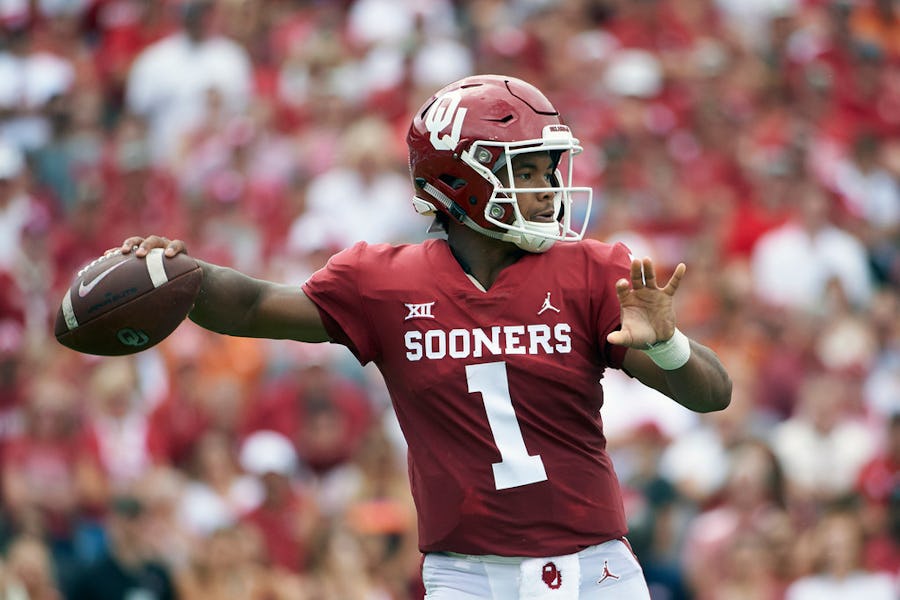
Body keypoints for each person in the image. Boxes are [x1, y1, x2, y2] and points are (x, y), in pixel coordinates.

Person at [119, 74, 732, 599]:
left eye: (549, 169)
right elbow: (255, 306)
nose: (550, 188)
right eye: (528, 170)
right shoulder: (384, 282)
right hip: (466, 575)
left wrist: (666, 344)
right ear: (462, 181)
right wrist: (179, 275)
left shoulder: (593, 272)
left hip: (594, 569)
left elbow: (712, 395)